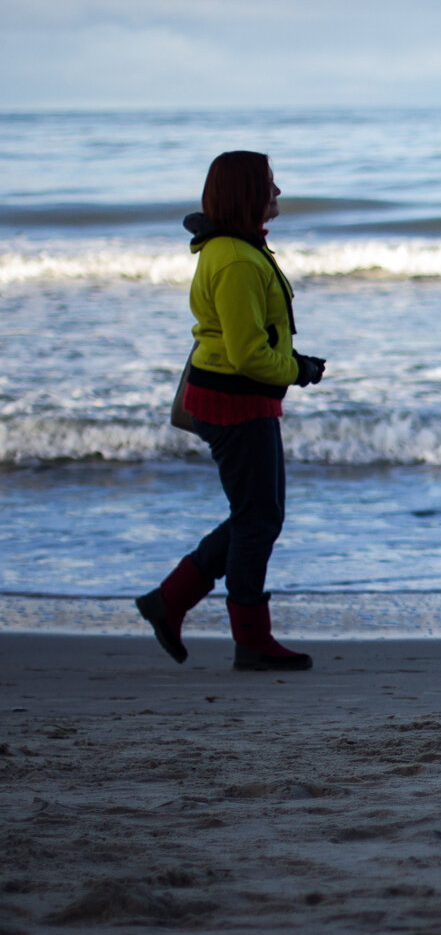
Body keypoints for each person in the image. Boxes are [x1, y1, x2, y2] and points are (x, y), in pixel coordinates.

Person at [136, 151, 328, 671]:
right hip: (233, 400)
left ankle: (171, 601)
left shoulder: (231, 249)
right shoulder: (238, 260)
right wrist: (297, 369)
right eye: (270, 183)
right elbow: (247, 355)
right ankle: (248, 638)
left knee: (256, 516)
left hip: (232, 396)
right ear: (248, 193)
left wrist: (287, 364)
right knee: (258, 519)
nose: (279, 191)